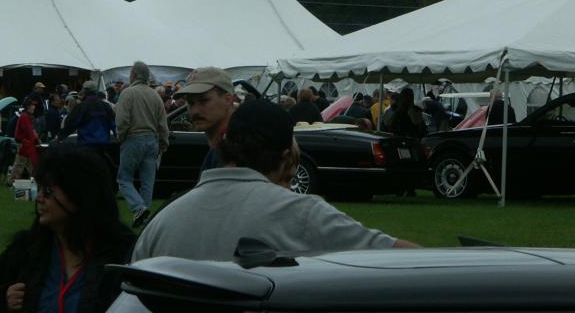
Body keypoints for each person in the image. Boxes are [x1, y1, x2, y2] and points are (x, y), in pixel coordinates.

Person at [132, 100, 418, 261]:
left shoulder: (162, 220)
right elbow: (402, 257)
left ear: (223, 145)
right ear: (286, 157)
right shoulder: (301, 213)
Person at [0, 145, 136, 313]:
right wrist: (2, 301)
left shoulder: (123, 257)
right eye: (40, 188)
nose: (39, 198)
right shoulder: (24, 252)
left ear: (79, 195)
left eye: (48, 191)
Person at [114, 62, 169, 228]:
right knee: (147, 182)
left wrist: (121, 137)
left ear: (134, 75)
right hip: (152, 141)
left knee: (124, 179)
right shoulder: (155, 96)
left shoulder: (128, 93)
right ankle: (145, 222)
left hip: (133, 138)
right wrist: (163, 142)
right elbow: (163, 123)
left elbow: (122, 120)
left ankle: (138, 208)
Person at [173, 67, 235, 173]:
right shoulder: (225, 147)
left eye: (204, 100)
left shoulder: (238, 151)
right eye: (191, 103)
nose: (195, 111)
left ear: (228, 100)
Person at [12, 99, 42, 178]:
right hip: (24, 145)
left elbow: (31, 131)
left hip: (26, 144)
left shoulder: (26, 116)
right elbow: (29, 131)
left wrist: (36, 138)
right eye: (33, 105)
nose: (34, 107)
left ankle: (34, 179)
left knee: (27, 164)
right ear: (28, 106)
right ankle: (12, 180)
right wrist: (37, 140)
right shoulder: (25, 117)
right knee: (20, 164)